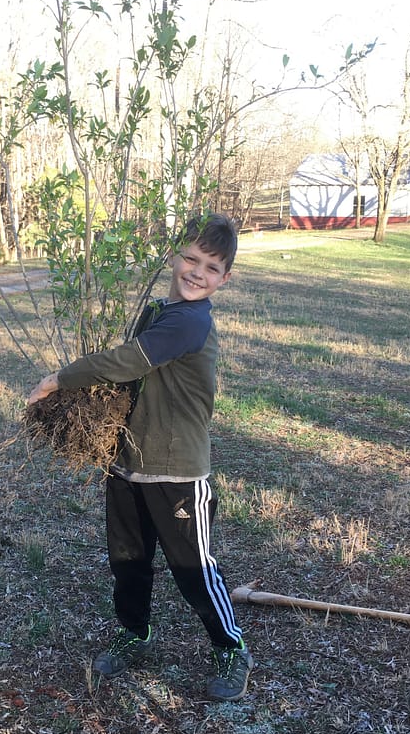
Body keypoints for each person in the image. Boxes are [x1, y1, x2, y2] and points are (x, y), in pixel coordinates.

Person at [27, 213, 252, 700]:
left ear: (225, 279)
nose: (197, 273)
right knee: (128, 559)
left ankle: (232, 648)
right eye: (190, 259)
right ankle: (135, 632)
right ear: (174, 256)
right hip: (128, 459)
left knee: (193, 568)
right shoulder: (160, 311)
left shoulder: (191, 322)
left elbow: (129, 360)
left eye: (211, 268)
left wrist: (59, 379)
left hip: (177, 468)